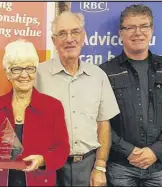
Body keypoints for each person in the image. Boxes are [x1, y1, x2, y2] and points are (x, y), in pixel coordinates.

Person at [99, 4, 162, 186]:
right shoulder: (105, 72)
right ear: (121, 33)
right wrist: (128, 151)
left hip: (158, 166)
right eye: (130, 27)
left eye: (144, 26)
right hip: (120, 166)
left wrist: (156, 150)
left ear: (152, 30)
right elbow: (99, 119)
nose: (137, 33)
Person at [36, 11, 120, 186]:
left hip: (87, 166)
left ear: (83, 37)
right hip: (49, 168)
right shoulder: (38, 75)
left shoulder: (98, 76)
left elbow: (103, 124)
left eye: (75, 32)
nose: (69, 39)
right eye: (62, 33)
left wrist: (100, 167)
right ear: (54, 41)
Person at [0, 39, 70, 186]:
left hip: (39, 180)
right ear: (8, 73)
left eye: (29, 68)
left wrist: (42, 160)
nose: (24, 75)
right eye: (17, 69)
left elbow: (62, 149)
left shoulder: (53, 107)